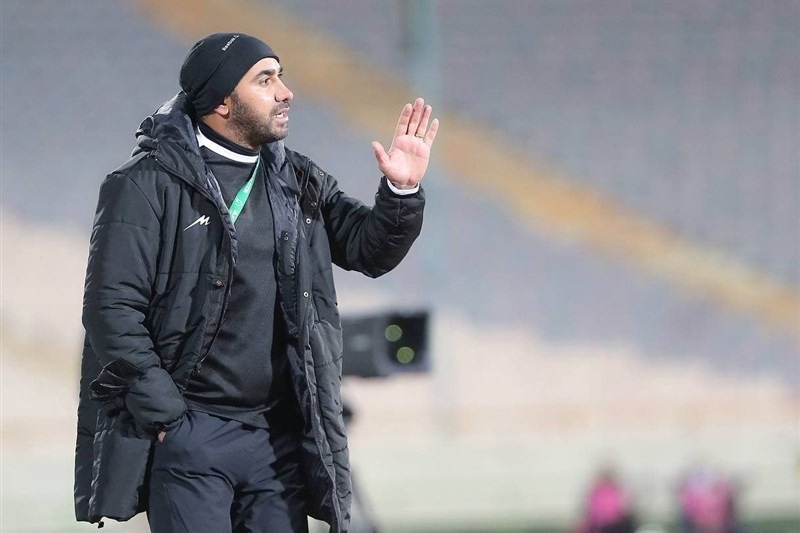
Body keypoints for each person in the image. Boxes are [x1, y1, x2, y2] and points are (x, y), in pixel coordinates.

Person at [74, 32, 438, 533]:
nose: (285, 92)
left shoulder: (296, 180)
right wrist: (170, 421)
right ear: (223, 102)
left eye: (280, 76)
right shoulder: (143, 184)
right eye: (265, 80)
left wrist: (402, 188)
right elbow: (110, 312)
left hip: (276, 441)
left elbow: (367, 249)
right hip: (192, 436)